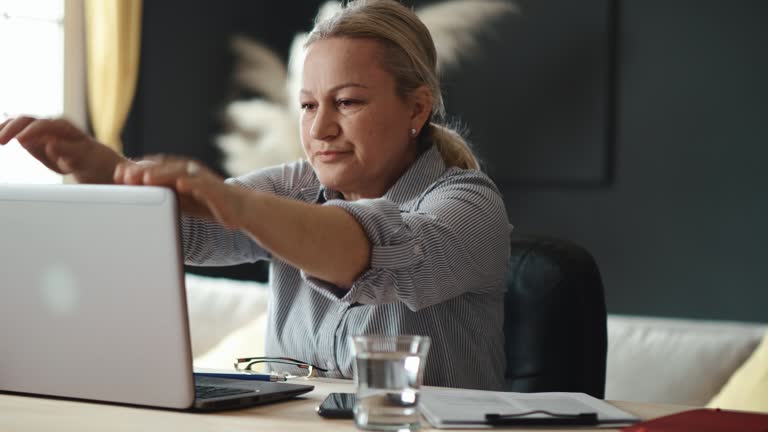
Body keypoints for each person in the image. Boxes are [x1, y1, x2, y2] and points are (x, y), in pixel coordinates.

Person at [0, 0, 511, 390]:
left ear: (417, 109)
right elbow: (189, 232)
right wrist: (105, 171)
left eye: (348, 102)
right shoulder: (294, 185)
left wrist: (245, 208)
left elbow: (368, 250)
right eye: (308, 106)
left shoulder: (470, 206)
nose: (321, 128)